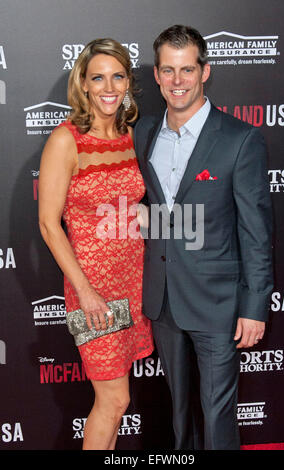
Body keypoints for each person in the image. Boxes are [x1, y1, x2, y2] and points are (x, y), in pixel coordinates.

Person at [134, 25, 273, 450]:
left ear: (205, 72)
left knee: (216, 412)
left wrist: (255, 306)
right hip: (163, 302)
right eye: (169, 70)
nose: (178, 81)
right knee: (178, 413)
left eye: (187, 70)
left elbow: (256, 232)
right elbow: (158, 215)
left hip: (219, 304)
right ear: (156, 75)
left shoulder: (239, 139)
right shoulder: (143, 134)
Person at [38, 38, 154, 450]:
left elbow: (131, 206)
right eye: (98, 78)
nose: (109, 86)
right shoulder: (66, 140)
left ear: (127, 83)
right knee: (114, 398)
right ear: (83, 84)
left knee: (117, 402)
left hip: (133, 283)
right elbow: (50, 225)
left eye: (118, 76)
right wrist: (85, 291)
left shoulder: (128, 134)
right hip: (92, 291)